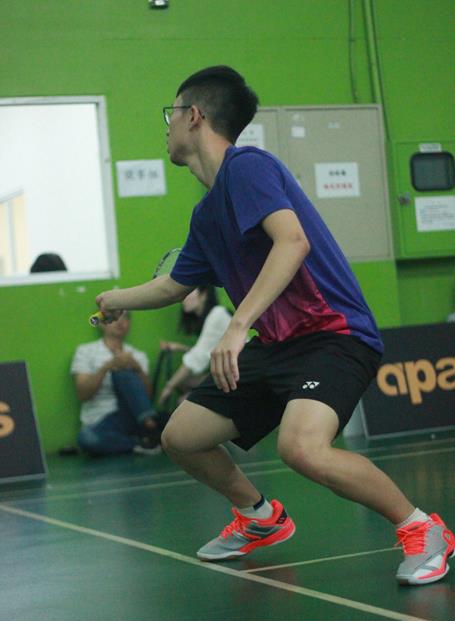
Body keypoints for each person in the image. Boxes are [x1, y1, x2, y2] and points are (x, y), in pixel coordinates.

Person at [95, 66, 454, 585]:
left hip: (333, 336)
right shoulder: (206, 214)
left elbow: (292, 241)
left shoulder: (249, 168)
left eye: (171, 113)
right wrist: (115, 299)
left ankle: (421, 528)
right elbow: (174, 285)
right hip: (277, 344)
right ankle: (260, 517)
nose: (166, 126)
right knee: (182, 436)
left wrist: (237, 326)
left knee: (301, 448)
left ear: (194, 116)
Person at [71, 312, 161, 456]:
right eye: (113, 317)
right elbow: (83, 394)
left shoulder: (137, 355)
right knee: (86, 438)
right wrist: (107, 367)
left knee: (123, 373)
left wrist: (137, 368)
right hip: (99, 421)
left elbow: (148, 398)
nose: (120, 321)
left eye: (125, 317)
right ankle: (140, 443)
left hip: (131, 416)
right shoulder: (85, 351)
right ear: (101, 323)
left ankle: (149, 428)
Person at [158, 285, 232, 406]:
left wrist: (169, 386)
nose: (183, 298)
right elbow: (207, 351)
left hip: (237, 375)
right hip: (229, 374)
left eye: (189, 292)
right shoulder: (212, 316)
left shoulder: (217, 314)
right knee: (184, 383)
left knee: (182, 401)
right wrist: (179, 347)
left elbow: (199, 355)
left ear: (204, 295)